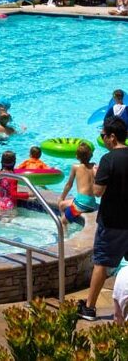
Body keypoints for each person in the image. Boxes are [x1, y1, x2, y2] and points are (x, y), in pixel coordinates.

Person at [78, 117, 128, 321]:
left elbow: (97, 192)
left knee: (101, 263)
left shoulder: (108, 159)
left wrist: (98, 174)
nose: (103, 139)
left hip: (112, 221)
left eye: (103, 135)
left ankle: (89, 308)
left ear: (112, 137)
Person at [59, 142, 97, 223]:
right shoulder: (94, 165)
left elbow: (69, 185)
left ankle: (64, 225)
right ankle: (68, 218)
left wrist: (62, 197)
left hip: (81, 204)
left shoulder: (75, 167)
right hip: (92, 202)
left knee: (62, 221)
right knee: (62, 205)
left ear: (77, 156)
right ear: (90, 155)